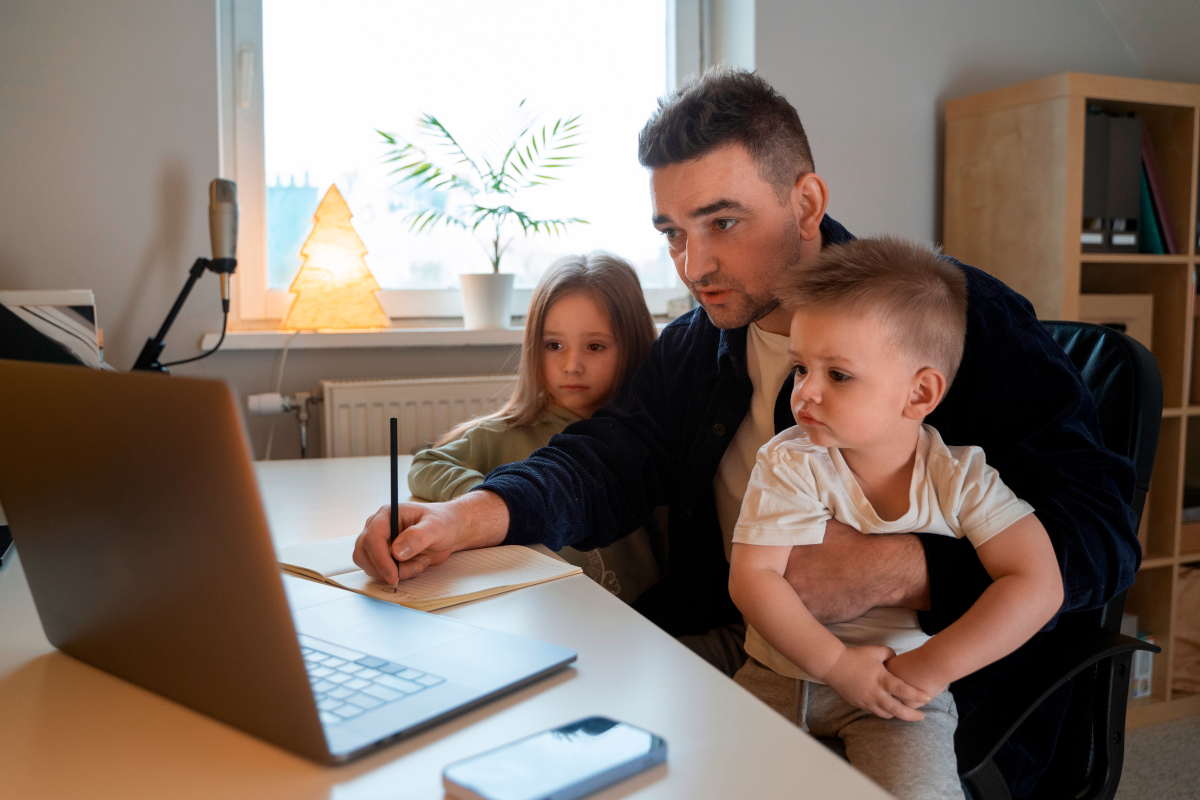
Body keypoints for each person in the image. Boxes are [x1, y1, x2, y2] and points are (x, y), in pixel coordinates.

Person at [352, 67, 1139, 795]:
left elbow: (1102, 532)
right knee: (525, 724)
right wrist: (465, 517)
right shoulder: (699, 342)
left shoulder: (956, 321)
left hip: (923, 689)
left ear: (806, 204)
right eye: (672, 233)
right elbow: (609, 457)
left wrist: (898, 569)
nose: (693, 265)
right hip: (740, 651)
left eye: (722, 222)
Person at [728, 236, 1064, 800]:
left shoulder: (962, 479)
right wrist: (837, 666)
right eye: (801, 368)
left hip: (897, 692)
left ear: (920, 393)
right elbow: (752, 579)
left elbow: (1038, 584)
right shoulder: (791, 460)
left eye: (838, 375)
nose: (805, 393)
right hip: (775, 678)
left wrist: (930, 668)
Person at [407, 252, 662, 602]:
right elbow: (427, 464)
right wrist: (489, 501)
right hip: (539, 612)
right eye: (554, 345)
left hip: (639, 620)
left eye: (595, 346)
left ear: (632, 345)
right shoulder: (506, 432)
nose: (572, 365)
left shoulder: (649, 442)